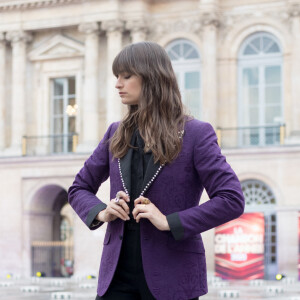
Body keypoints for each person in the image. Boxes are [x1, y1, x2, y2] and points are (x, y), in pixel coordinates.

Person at [68, 41, 245, 300]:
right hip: (115, 279)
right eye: (117, 76)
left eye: (127, 76)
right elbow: (78, 188)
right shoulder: (115, 133)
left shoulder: (196, 134)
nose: (118, 84)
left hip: (174, 278)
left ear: (152, 78)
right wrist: (101, 212)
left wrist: (168, 221)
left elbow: (231, 199)